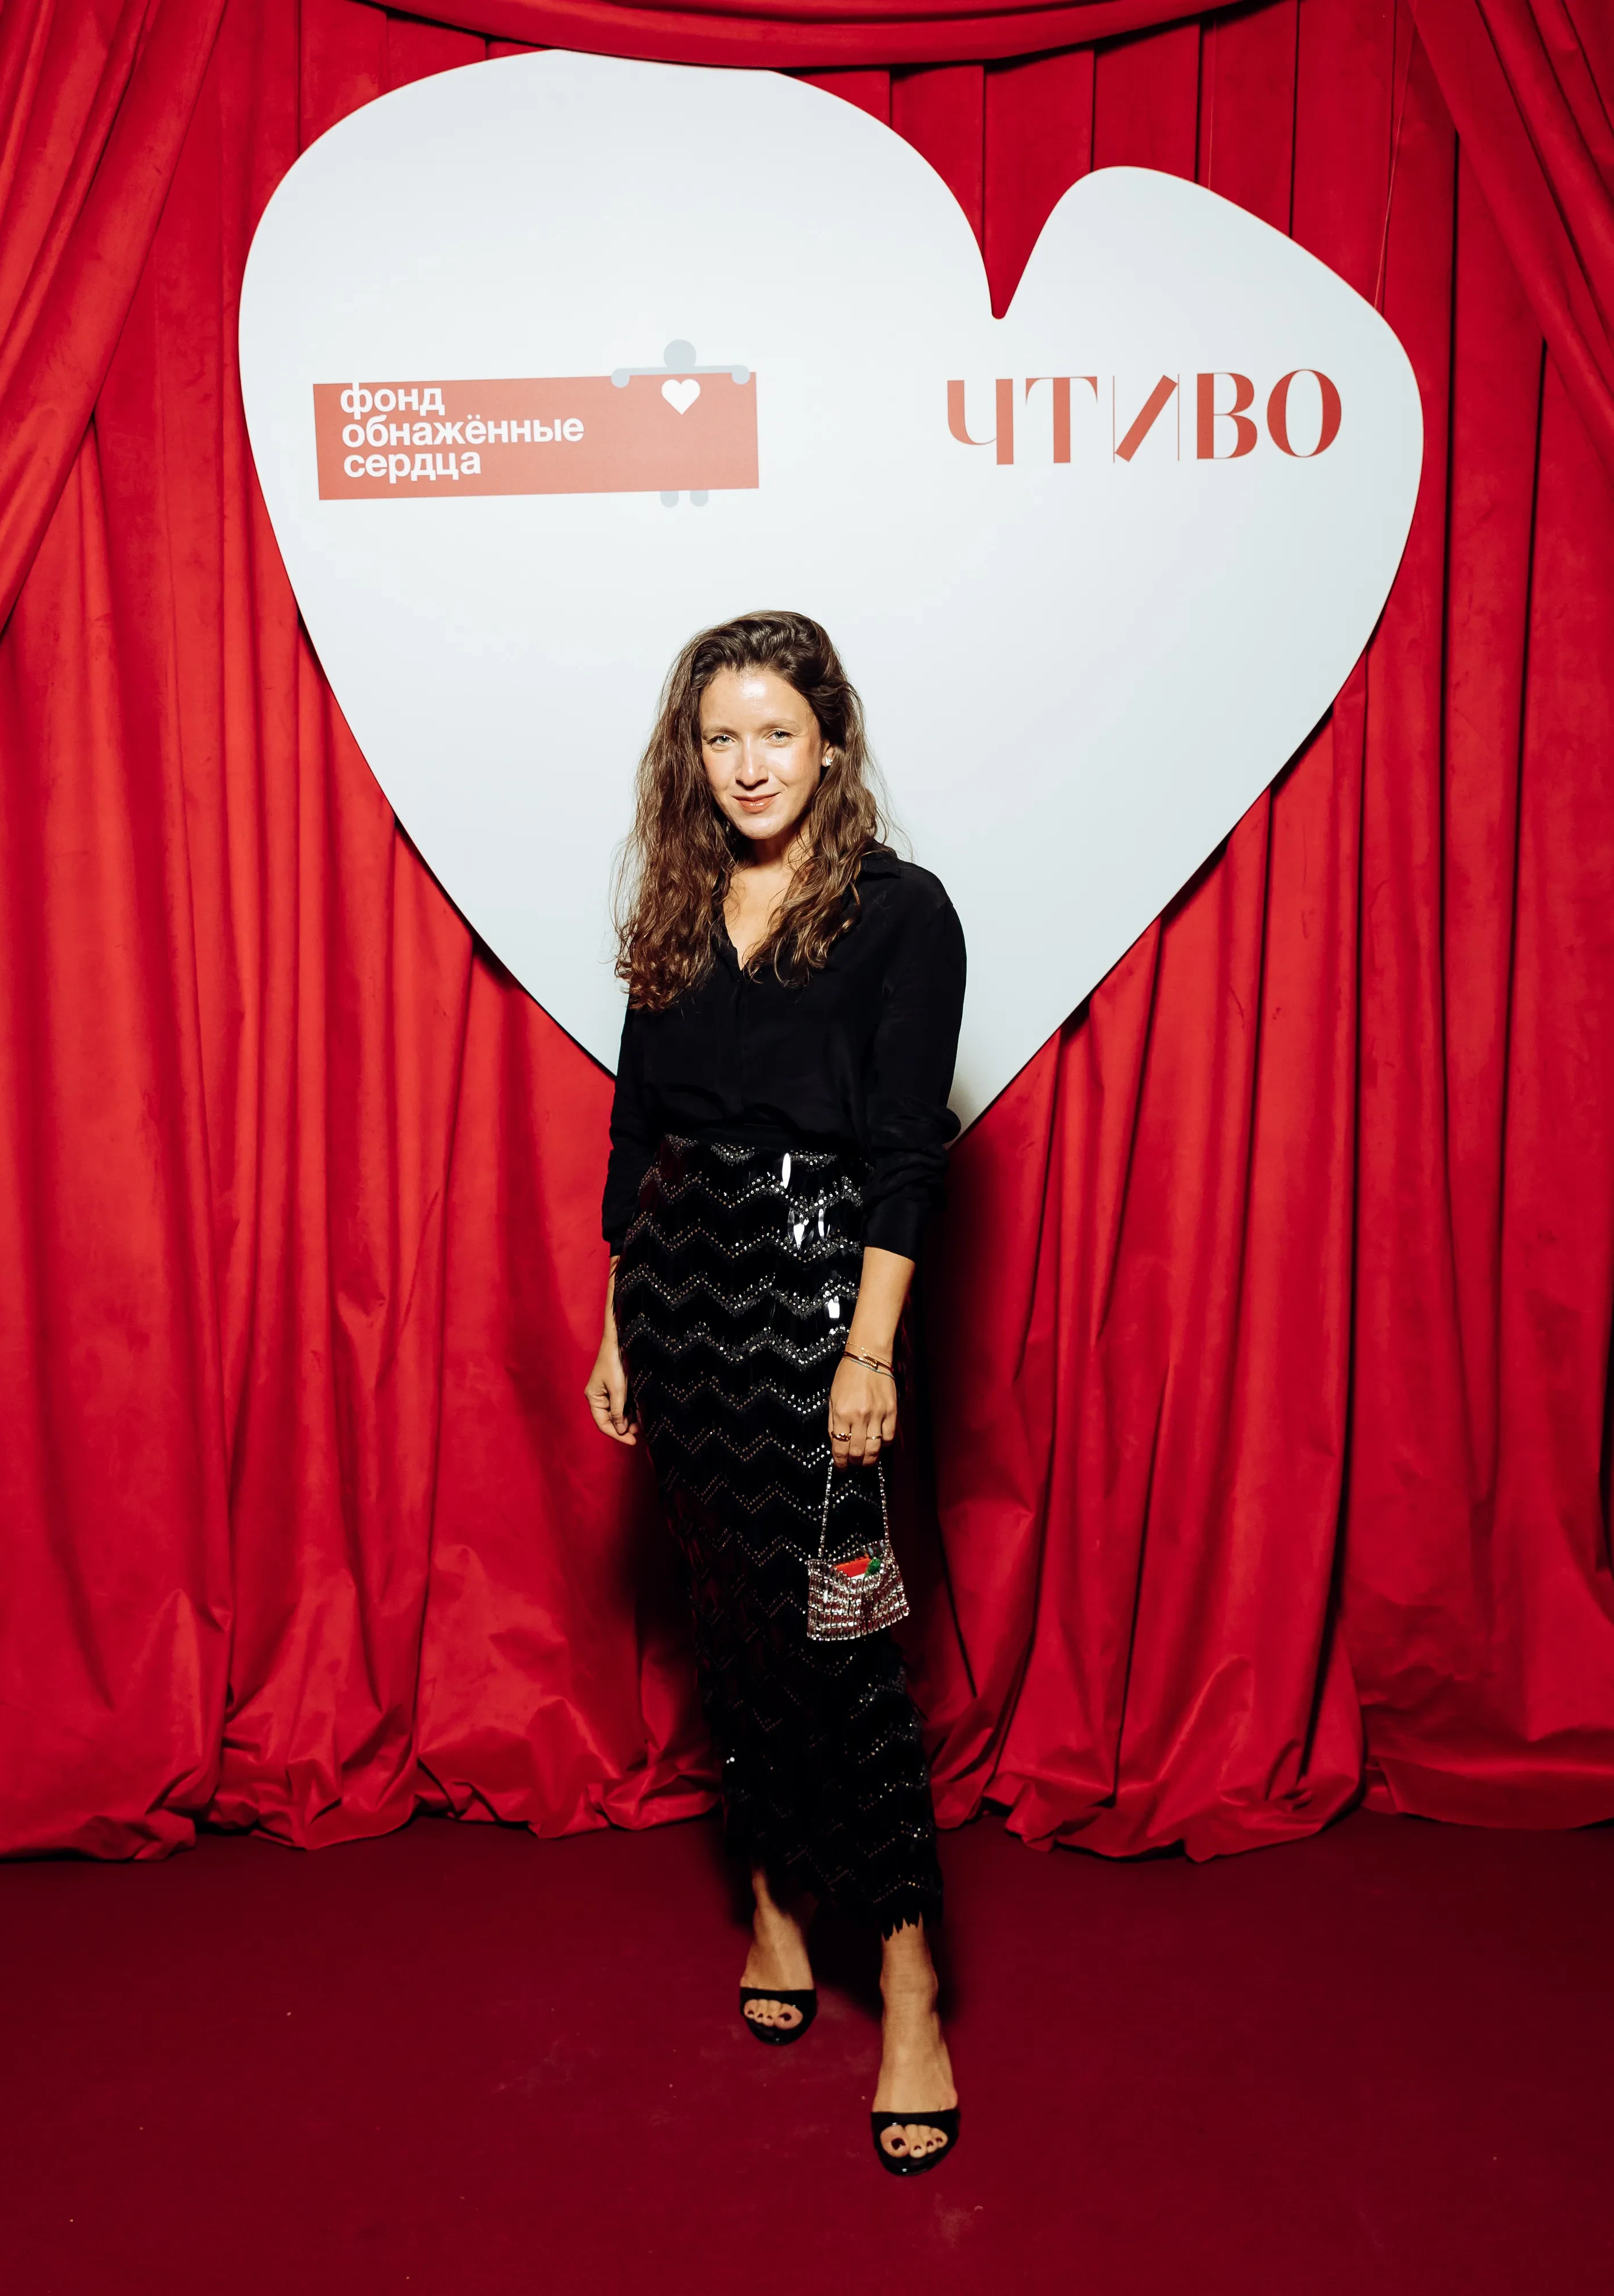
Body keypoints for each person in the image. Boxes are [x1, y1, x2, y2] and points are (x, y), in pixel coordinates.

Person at [584, 610, 967, 2175]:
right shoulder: (678, 902)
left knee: (848, 1654)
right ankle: (770, 1904)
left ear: (831, 744)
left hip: (820, 1307)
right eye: (721, 738)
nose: (749, 765)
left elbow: (908, 1154)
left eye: (778, 734)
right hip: (683, 1304)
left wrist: (869, 1353)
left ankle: (911, 1982)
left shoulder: (901, 914)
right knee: (733, 1628)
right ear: (695, 756)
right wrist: (619, 1324)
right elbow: (634, 1133)